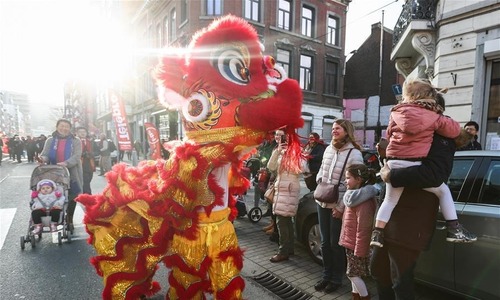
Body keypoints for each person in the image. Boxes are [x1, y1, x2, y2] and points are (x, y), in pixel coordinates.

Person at [370, 78, 476, 248]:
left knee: (389, 201)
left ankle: (377, 233)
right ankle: (454, 228)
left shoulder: (396, 112)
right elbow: (454, 129)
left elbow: (389, 135)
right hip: (414, 163)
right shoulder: (433, 118)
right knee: (443, 191)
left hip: (393, 162)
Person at [314, 119, 364, 294]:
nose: (334, 131)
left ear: (346, 131)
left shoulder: (354, 153)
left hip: (339, 204)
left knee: (336, 244)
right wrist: (319, 181)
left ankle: (336, 278)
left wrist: (341, 206)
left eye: (338, 128)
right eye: (333, 128)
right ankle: (326, 275)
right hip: (322, 201)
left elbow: (356, 184)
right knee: (325, 243)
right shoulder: (329, 148)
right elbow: (321, 169)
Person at [339, 164, 378, 300]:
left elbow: (364, 229)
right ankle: (356, 297)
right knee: (355, 274)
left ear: (359, 179)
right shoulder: (354, 197)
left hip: (357, 247)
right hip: (351, 244)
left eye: (348, 178)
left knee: (352, 275)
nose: (345, 180)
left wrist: (360, 251)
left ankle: (364, 297)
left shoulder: (364, 202)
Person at [39, 119, 83, 230]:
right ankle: (56, 217)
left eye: (67, 126)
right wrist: (42, 159)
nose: (64, 128)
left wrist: (66, 163)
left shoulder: (75, 140)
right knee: (55, 194)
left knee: (73, 195)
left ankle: (70, 219)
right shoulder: (50, 140)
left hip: (71, 172)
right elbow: (45, 155)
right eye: (61, 126)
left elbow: (77, 156)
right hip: (53, 172)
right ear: (57, 127)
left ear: (70, 128)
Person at [266, 129, 302, 263]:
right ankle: (289, 249)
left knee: (282, 221)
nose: (278, 138)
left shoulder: (296, 150)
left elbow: (300, 169)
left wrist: (288, 153)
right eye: (276, 135)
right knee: (285, 221)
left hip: (289, 189)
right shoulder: (278, 150)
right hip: (280, 188)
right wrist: (277, 152)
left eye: (282, 136)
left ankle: (283, 252)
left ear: (289, 137)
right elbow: (271, 167)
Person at [76, 127, 95, 194]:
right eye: (80, 131)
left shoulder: (91, 142)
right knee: (85, 181)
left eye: (84, 131)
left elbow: (97, 151)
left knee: (89, 179)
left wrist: (91, 154)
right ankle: (88, 196)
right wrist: (82, 154)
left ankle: (85, 194)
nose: (82, 133)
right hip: (81, 163)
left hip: (90, 164)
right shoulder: (75, 142)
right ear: (77, 133)